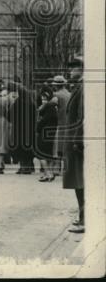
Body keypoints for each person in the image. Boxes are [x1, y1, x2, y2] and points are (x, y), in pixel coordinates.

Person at [61, 56, 84, 233]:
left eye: (73, 68)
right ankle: (83, 217)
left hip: (77, 144)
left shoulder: (83, 88)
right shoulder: (79, 87)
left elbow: (81, 118)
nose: (70, 72)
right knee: (78, 182)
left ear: (81, 69)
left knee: (80, 182)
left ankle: (85, 220)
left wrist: (76, 140)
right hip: (74, 141)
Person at [36, 88, 59, 181]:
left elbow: (43, 121)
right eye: (42, 99)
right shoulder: (53, 107)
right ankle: (48, 173)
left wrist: (37, 128)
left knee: (40, 154)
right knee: (48, 154)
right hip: (50, 133)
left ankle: (48, 173)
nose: (43, 101)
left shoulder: (48, 107)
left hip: (44, 133)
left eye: (45, 99)